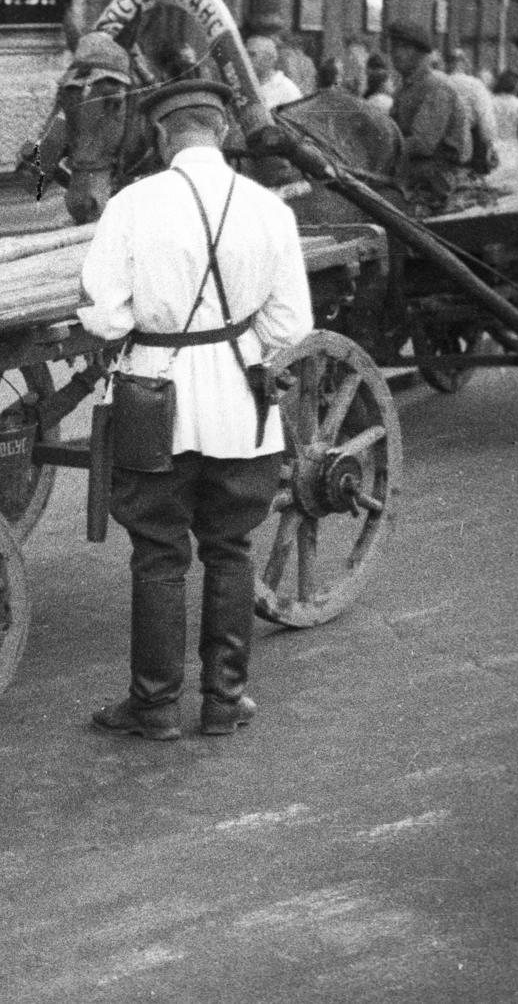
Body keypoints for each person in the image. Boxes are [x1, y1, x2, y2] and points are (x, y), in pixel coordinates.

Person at [77, 78, 314, 740]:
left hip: (155, 396)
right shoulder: (271, 212)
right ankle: (223, 700)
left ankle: (153, 706)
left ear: (160, 135)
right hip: (242, 402)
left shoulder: (132, 205)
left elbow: (101, 314)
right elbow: (291, 327)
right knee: (231, 548)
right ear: (220, 131)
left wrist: (138, 324)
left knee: (157, 553)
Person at [387, 20, 471, 213]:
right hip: (413, 173)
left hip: (436, 178)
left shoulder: (436, 86)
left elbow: (423, 144)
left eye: (403, 47)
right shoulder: (405, 88)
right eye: (393, 47)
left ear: (420, 52)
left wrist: (382, 148)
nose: (395, 54)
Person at [445, 48, 501, 174]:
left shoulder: (440, 83)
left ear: (447, 64)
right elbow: (486, 119)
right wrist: (490, 145)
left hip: (442, 143)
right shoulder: (475, 84)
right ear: (464, 64)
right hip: (472, 142)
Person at [247, 35, 304, 110]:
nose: (246, 59)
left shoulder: (288, 91)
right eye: (245, 54)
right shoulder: (242, 83)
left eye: (252, 55)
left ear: (269, 59)